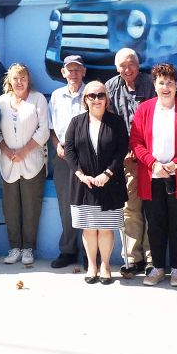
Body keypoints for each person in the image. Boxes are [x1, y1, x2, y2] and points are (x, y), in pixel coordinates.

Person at [129, 63, 177, 287]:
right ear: (155, 85)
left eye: (170, 82)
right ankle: (159, 268)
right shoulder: (144, 109)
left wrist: (175, 164)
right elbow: (136, 141)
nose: (166, 87)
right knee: (156, 224)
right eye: (161, 82)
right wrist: (153, 164)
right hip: (152, 177)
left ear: (176, 85)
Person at [63, 81, 128, 284]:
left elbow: (121, 150)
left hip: (110, 183)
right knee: (89, 228)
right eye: (92, 96)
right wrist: (81, 175)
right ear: (85, 99)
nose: (97, 99)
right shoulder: (76, 122)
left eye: (101, 95)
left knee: (106, 228)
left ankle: (105, 266)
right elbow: (69, 150)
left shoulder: (116, 122)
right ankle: (92, 265)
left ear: (106, 98)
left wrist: (107, 174)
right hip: (84, 184)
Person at [105, 48, 155, 279]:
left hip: (153, 158)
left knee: (152, 209)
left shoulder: (151, 83)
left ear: (138, 64)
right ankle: (133, 258)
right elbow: (109, 123)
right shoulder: (110, 87)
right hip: (126, 159)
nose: (128, 69)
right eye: (123, 66)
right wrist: (122, 152)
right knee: (130, 209)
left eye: (131, 64)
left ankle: (152, 258)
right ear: (117, 68)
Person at [0, 63, 50, 266]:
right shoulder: (1, 102)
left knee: (31, 207)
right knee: (10, 208)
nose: (19, 82)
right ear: (9, 80)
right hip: (8, 163)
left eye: (23, 78)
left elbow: (44, 130)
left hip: (32, 163)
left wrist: (24, 151)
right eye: (15, 78)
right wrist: (8, 151)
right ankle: (14, 248)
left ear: (29, 80)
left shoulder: (38, 100)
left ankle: (28, 248)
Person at [48, 55, 86, 269]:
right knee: (66, 204)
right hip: (63, 157)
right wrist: (57, 146)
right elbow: (52, 128)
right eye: (69, 70)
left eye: (77, 70)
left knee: (88, 205)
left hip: (87, 158)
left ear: (84, 72)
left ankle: (91, 253)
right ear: (63, 73)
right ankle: (69, 250)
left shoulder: (92, 93)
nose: (73, 74)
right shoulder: (56, 96)